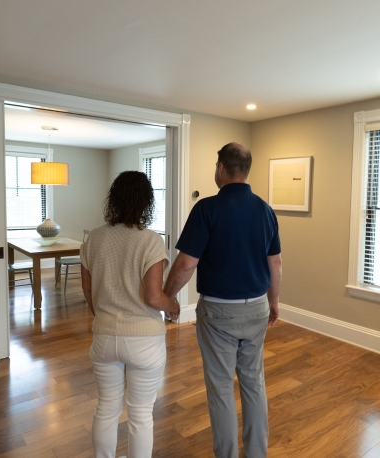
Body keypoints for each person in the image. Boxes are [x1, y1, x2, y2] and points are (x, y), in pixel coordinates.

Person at [163, 142, 282, 458]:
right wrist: (274, 301)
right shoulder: (265, 210)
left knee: (220, 389)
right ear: (246, 170)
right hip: (257, 306)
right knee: (254, 383)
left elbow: (186, 263)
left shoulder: (206, 209)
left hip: (218, 312)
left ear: (221, 168)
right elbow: (276, 264)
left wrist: (168, 296)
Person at [80, 171, 181, 458]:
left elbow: (88, 292)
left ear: (114, 199)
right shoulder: (150, 241)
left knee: (106, 407)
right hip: (144, 341)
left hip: (103, 337)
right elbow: (153, 296)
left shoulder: (94, 239)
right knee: (140, 414)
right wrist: (174, 307)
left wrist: (105, 319)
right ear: (146, 203)